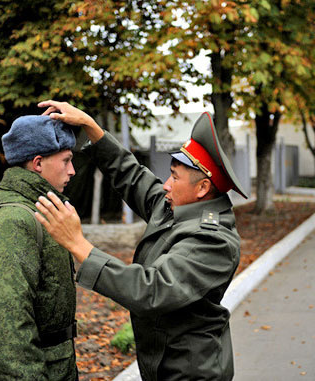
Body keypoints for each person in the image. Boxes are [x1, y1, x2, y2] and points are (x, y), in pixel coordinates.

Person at [34, 100, 248, 381]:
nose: (166, 185)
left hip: (191, 372)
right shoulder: (177, 206)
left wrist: (78, 244)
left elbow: (152, 290)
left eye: (174, 177)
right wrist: (91, 127)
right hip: (163, 364)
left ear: (203, 188)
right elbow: (132, 176)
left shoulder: (214, 240)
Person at [0, 115, 78, 380]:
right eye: (66, 160)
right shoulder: (11, 221)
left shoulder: (39, 211)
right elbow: (5, 334)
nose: (72, 170)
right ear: (37, 163)